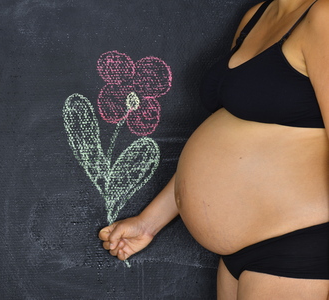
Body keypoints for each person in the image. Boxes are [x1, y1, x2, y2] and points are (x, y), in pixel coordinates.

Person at [98, 0, 329, 298]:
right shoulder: (256, 15)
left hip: (295, 247)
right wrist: (148, 223)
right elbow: (226, 134)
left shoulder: (322, 16)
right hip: (241, 254)